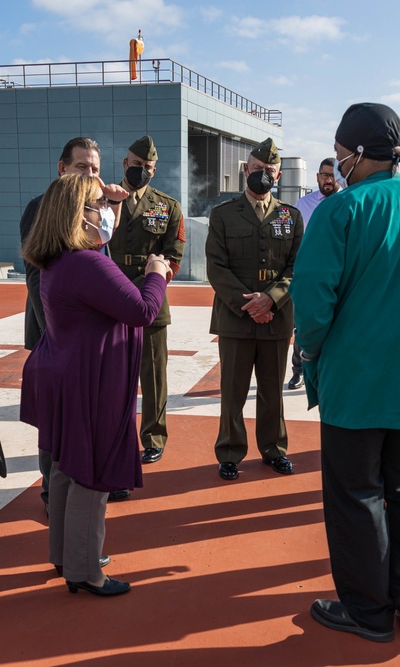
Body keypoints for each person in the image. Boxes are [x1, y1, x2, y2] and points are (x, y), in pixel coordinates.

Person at [290, 102, 400, 642]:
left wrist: (310, 354)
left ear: (355, 153)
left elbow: (314, 298)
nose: (339, 163)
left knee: (355, 495)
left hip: (354, 382)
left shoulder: (340, 211)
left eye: (341, 154)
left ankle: (367, 610)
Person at [20, 174, 168, 596]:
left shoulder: (59, 259)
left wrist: (115, 206)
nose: (103, 212)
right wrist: (157, 273)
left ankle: (66, 555)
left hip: (65, 375)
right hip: (91, 381)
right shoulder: (86, 263)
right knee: (92, 474)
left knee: (67, 467)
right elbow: (141, 309)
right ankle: (86, 571)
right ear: (76, 215)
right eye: (96, 205)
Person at [18, 137, 131, 509]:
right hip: (58, 336)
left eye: (96, 169)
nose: (91, 174)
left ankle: (93, 481)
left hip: (85, 338)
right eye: (82, 167)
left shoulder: (97, 208)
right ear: (62, 168)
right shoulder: (47, 207)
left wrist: (110, 205)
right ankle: (56, 494)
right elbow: (39, 280)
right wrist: (57, 334)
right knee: (62, 428)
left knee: (87, 424)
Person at [205, 137, 303, 481]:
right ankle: (230, 452)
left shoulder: (291, 217)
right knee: (232, 391)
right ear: (246, 170)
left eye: (270, 171)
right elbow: (216, 267)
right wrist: (250, 304)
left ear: (277, 176)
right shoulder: (223, 214)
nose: (263, 175)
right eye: (257, 169)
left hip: (276, 318)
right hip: (235, 318)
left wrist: (271, 299)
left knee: (272, 391)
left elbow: (297, 267)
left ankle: (274, 449)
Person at [108, 135, 186, 464]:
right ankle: (113, 434)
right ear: (126, 164)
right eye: (138, 165)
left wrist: (147, 285)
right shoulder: (101, 200)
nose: (143, 171)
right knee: (110, 374)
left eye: (149, 168)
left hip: (151, 297)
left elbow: (174, 256)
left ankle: (153, 436)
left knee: (153, 375)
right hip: (107, 294)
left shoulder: (166, 206)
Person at [288, 158, 341, 390]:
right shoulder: (303, 204)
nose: (328, 180)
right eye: (324, 175)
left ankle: (331, 374)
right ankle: (298, 371)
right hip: (309, 276)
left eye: (332, 175)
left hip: (339, 276)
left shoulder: (348, 200)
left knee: (337, 327)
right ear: (317, 176)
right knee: (303, 326)